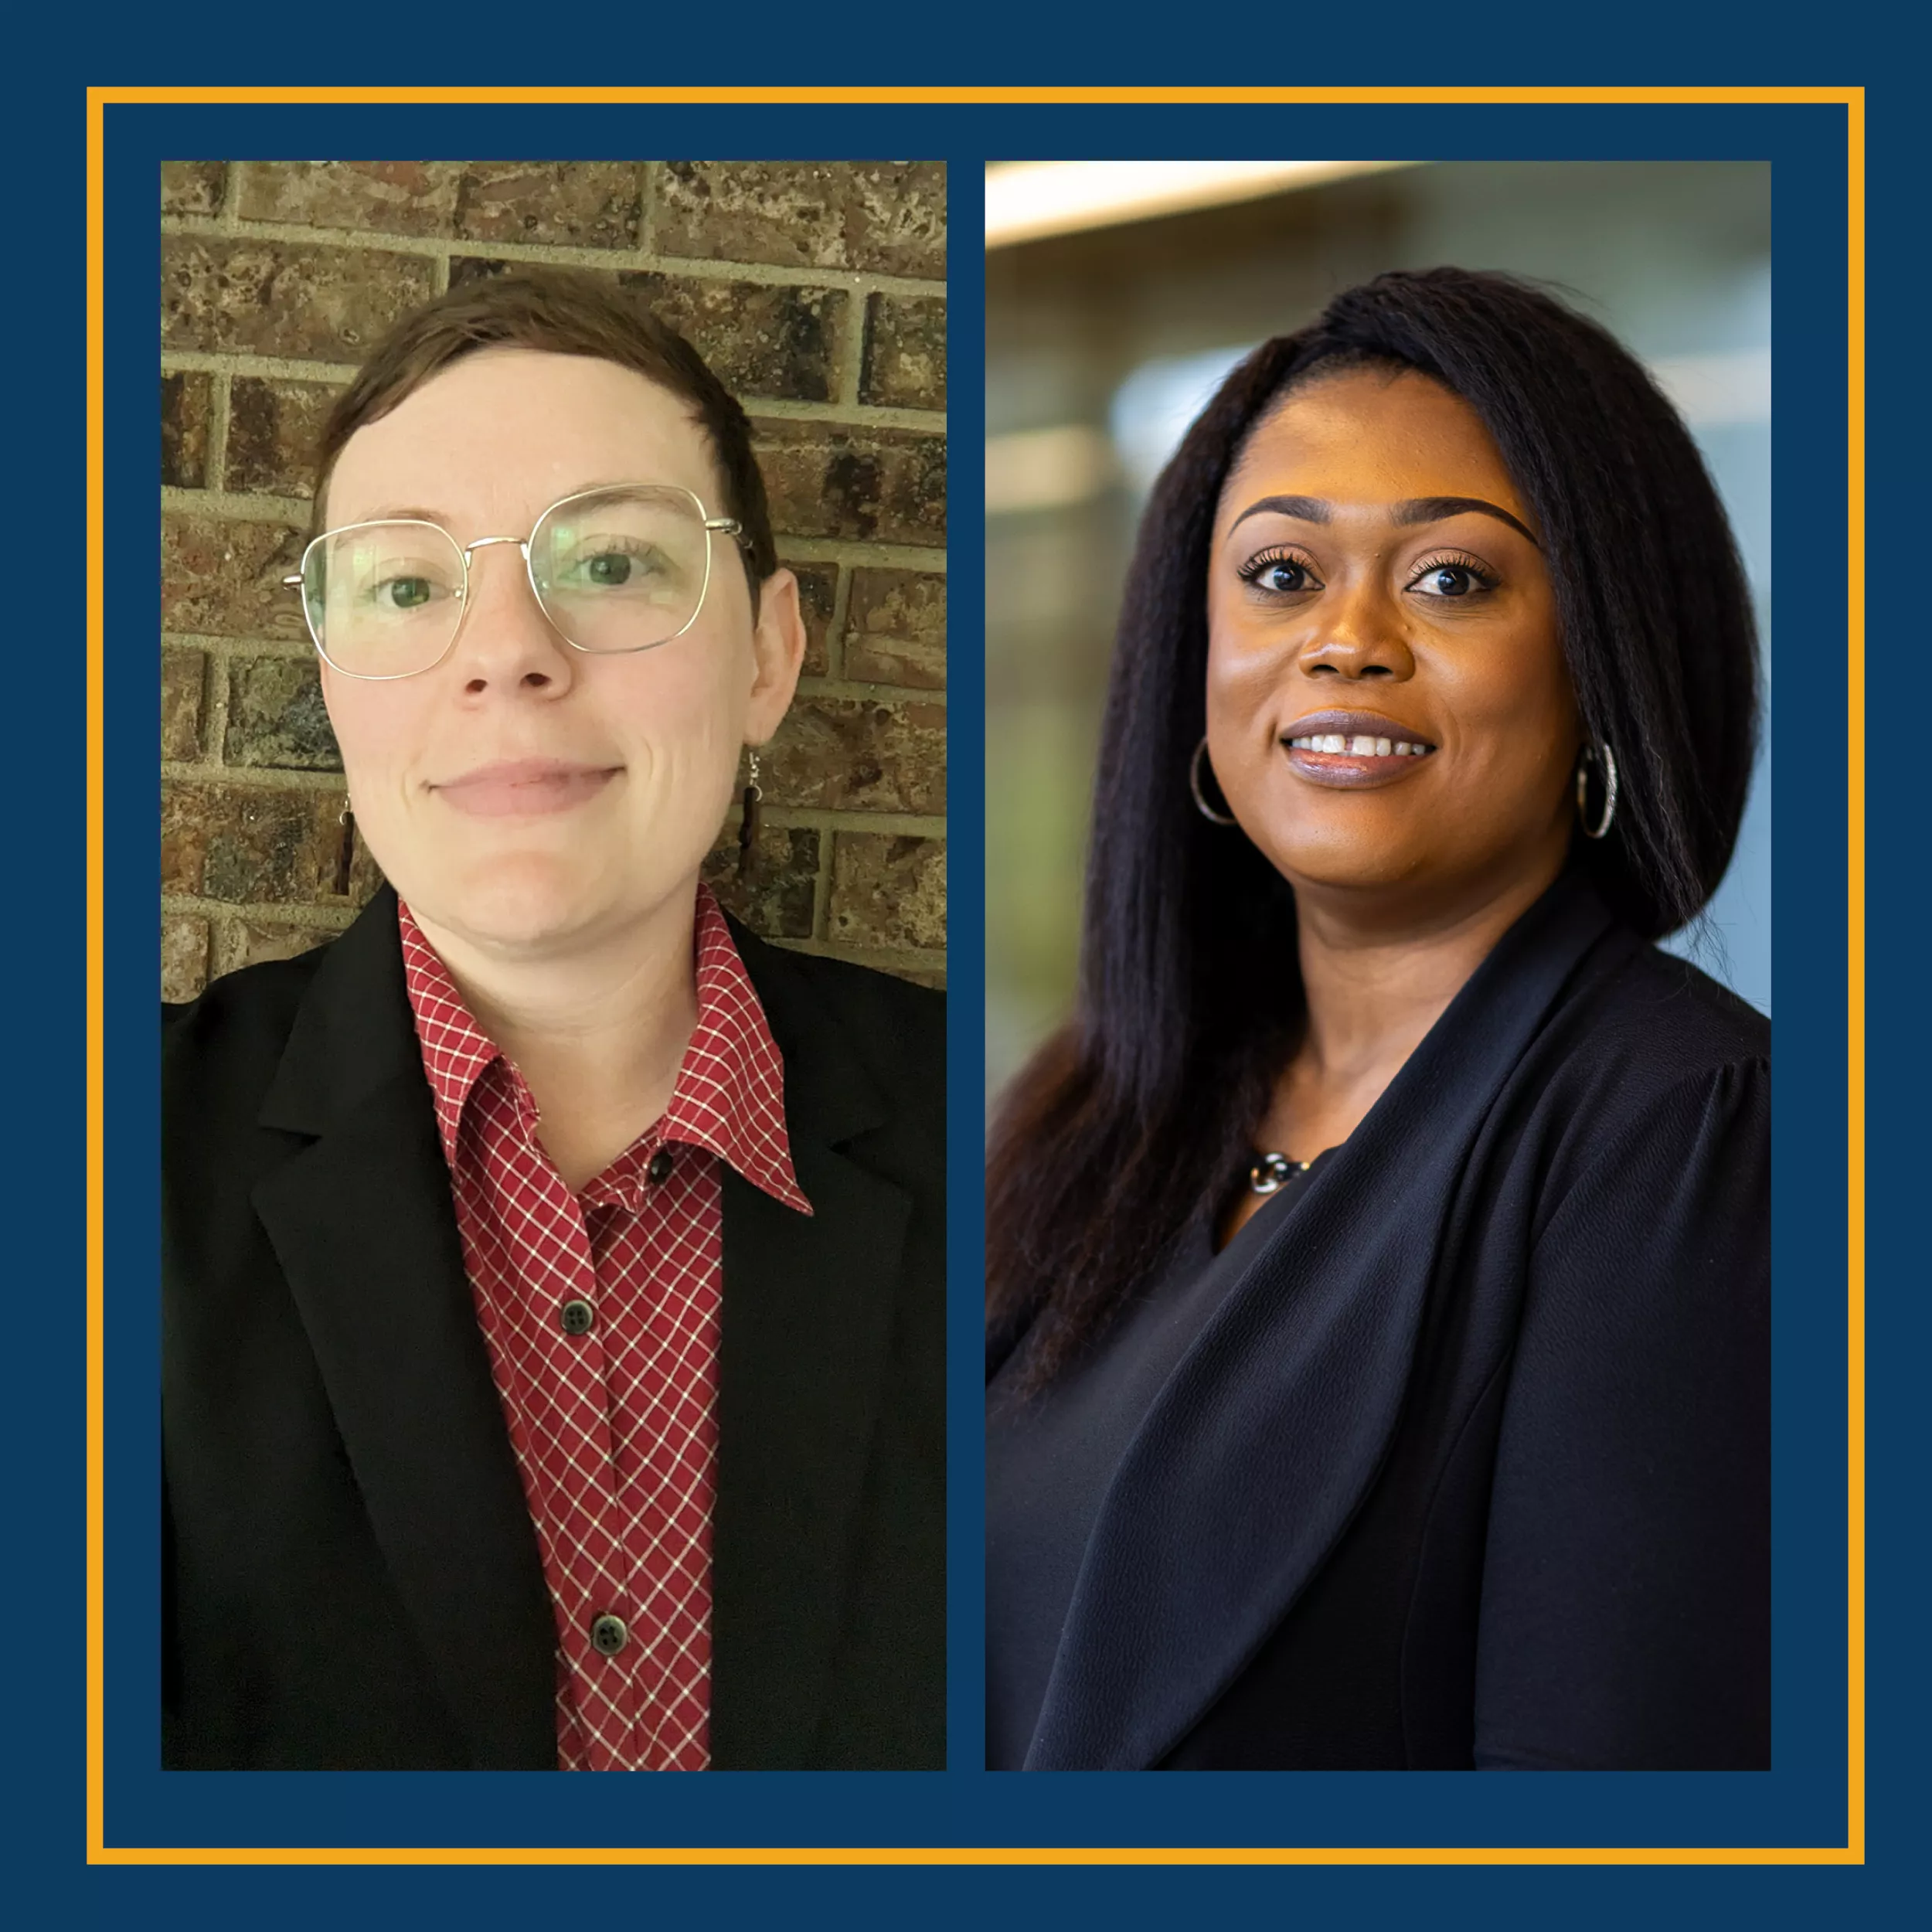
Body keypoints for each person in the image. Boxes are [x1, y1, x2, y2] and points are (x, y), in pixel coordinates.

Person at [985, 267, 1770, 1771]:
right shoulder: (1095, 1113)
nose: (1344, 640)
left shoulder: (1687, 1137)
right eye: (1280, 575)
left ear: (1596, 661)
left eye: (1451, 579)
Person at [162, 271, 944, 1771]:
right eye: (406, 583)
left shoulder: (1005, 1131)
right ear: (335, 685)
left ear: (769, 656)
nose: (505, 646)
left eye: (611, 562)